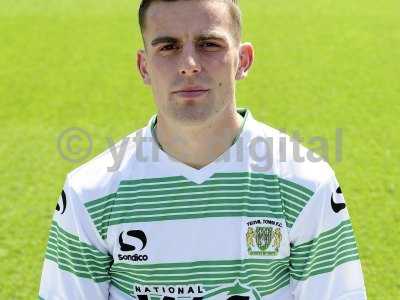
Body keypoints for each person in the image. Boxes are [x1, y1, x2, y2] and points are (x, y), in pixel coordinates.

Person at [38, 0, 367, 299]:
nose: (189, 64)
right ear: (144, 67)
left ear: (243, 60)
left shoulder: (305, 183)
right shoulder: (89, 192)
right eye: (168, 46)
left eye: (209, 44)